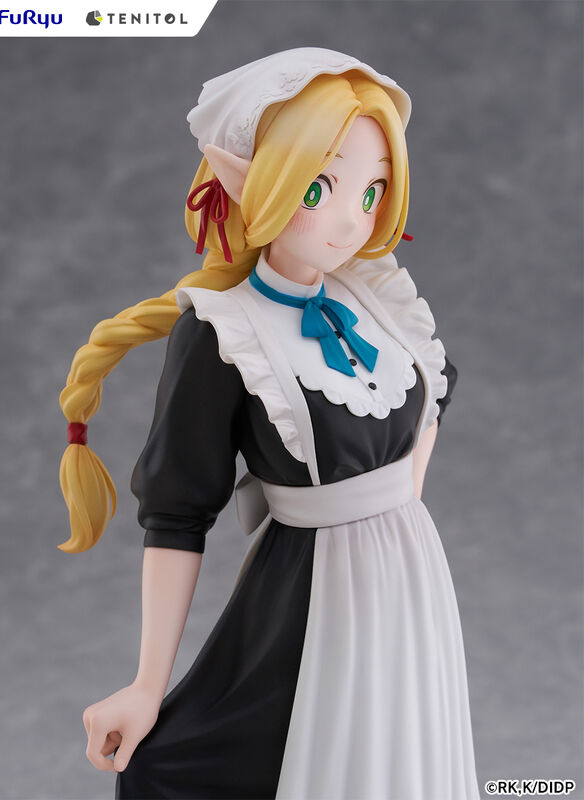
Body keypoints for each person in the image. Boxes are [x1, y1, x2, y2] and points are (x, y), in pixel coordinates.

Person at [60, 48, 481, 799]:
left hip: (412, 586)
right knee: (249, 758)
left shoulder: (374, 294)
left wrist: (398, 497)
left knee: (398, 757)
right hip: (312, 595)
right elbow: (178, 515)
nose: (351, 220)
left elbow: (434, 388)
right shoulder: (224, 331)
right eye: (321, 187)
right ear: (250, 181)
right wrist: (147, 684)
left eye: (373, 191)